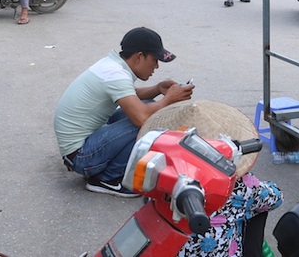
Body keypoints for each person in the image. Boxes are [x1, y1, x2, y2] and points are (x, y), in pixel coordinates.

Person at [53, 27, 194, 197]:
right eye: (155, 60)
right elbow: (141, 117)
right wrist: (169, 99)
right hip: (82, 156)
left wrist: (158, 89)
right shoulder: (115, 74)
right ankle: (108, 179)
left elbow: (129, 95)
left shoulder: (111, 65)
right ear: (139, 57)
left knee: (148, 105)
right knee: (150, 120)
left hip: (81, 146)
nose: (156, 66)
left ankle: (104, 170)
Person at [139, 100, 284, 257]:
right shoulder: (241, 187)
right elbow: (275, 198)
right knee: (257, 209)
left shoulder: (159, 180)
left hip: (162, 246)